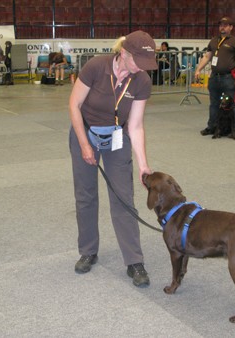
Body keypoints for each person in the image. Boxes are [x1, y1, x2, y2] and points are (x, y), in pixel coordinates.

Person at [68, 30, 157, 288]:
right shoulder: (96, 66)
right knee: (86, 196)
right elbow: (74, 105)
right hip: (84, 132)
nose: (142, 69)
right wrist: (85, 145)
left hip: (117, 137)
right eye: (139, 62)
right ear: (125, 54)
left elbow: (136, 126)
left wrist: (143, 166)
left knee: (123, 197)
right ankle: (88, 250)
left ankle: (134, 260)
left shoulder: (141, 81)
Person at [195, 17, 235, 139]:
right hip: (214, 78)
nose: (222, 27)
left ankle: (234, 131)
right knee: (214, 104)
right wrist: (198, 69)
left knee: (232, 105)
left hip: (228, 78)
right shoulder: (213, 41)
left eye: (226, 25)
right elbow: (207, 57)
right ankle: (212, 127)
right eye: (221, 25)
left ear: (231, 27)